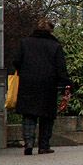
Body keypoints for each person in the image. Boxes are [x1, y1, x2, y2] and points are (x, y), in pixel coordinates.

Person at [13, 18, 70, 155]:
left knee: (29, 115)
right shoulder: (55, 46)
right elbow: (61, 68)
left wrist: (24, 71)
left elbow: (16, 61)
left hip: (28, 83)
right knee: (47, 116)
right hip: (48, 85)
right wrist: (66, 85)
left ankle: (28, 143)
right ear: (50, 30)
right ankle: (44, 145)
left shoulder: (25, 43)